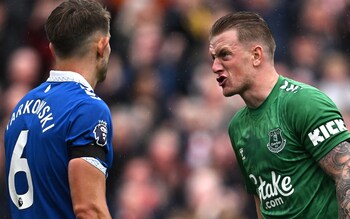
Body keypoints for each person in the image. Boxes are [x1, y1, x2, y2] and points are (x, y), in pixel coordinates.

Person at [208, 11, 350, 218]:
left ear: (256, 55)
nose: (215, 67)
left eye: (224, 55)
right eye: (213, 58)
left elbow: (346, 173)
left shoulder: (303, 103)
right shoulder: (237, 126)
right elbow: (262, 201)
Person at [4, 0, 113, 218]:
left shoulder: (21, 106)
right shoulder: (87, 109)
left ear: (53, 49)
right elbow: (89, 209)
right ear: (103, 45)